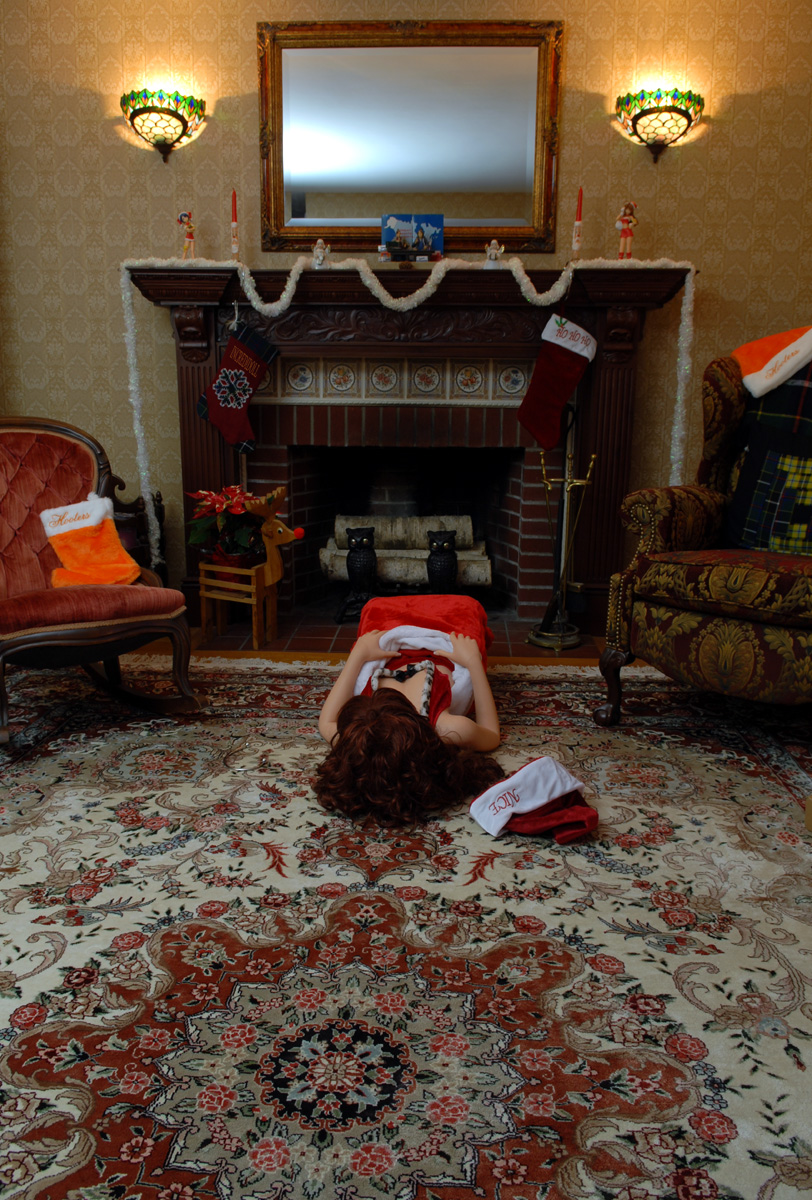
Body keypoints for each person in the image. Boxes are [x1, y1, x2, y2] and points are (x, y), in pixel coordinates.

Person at [315, 594, 504, 826]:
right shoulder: (445, 728)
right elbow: (491, 734)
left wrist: (358, 655)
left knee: (373, 606)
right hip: (447, 643)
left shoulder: (359, 740)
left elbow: (325, 722)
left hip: (386, 642)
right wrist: (473, 661)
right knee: (467, 606)